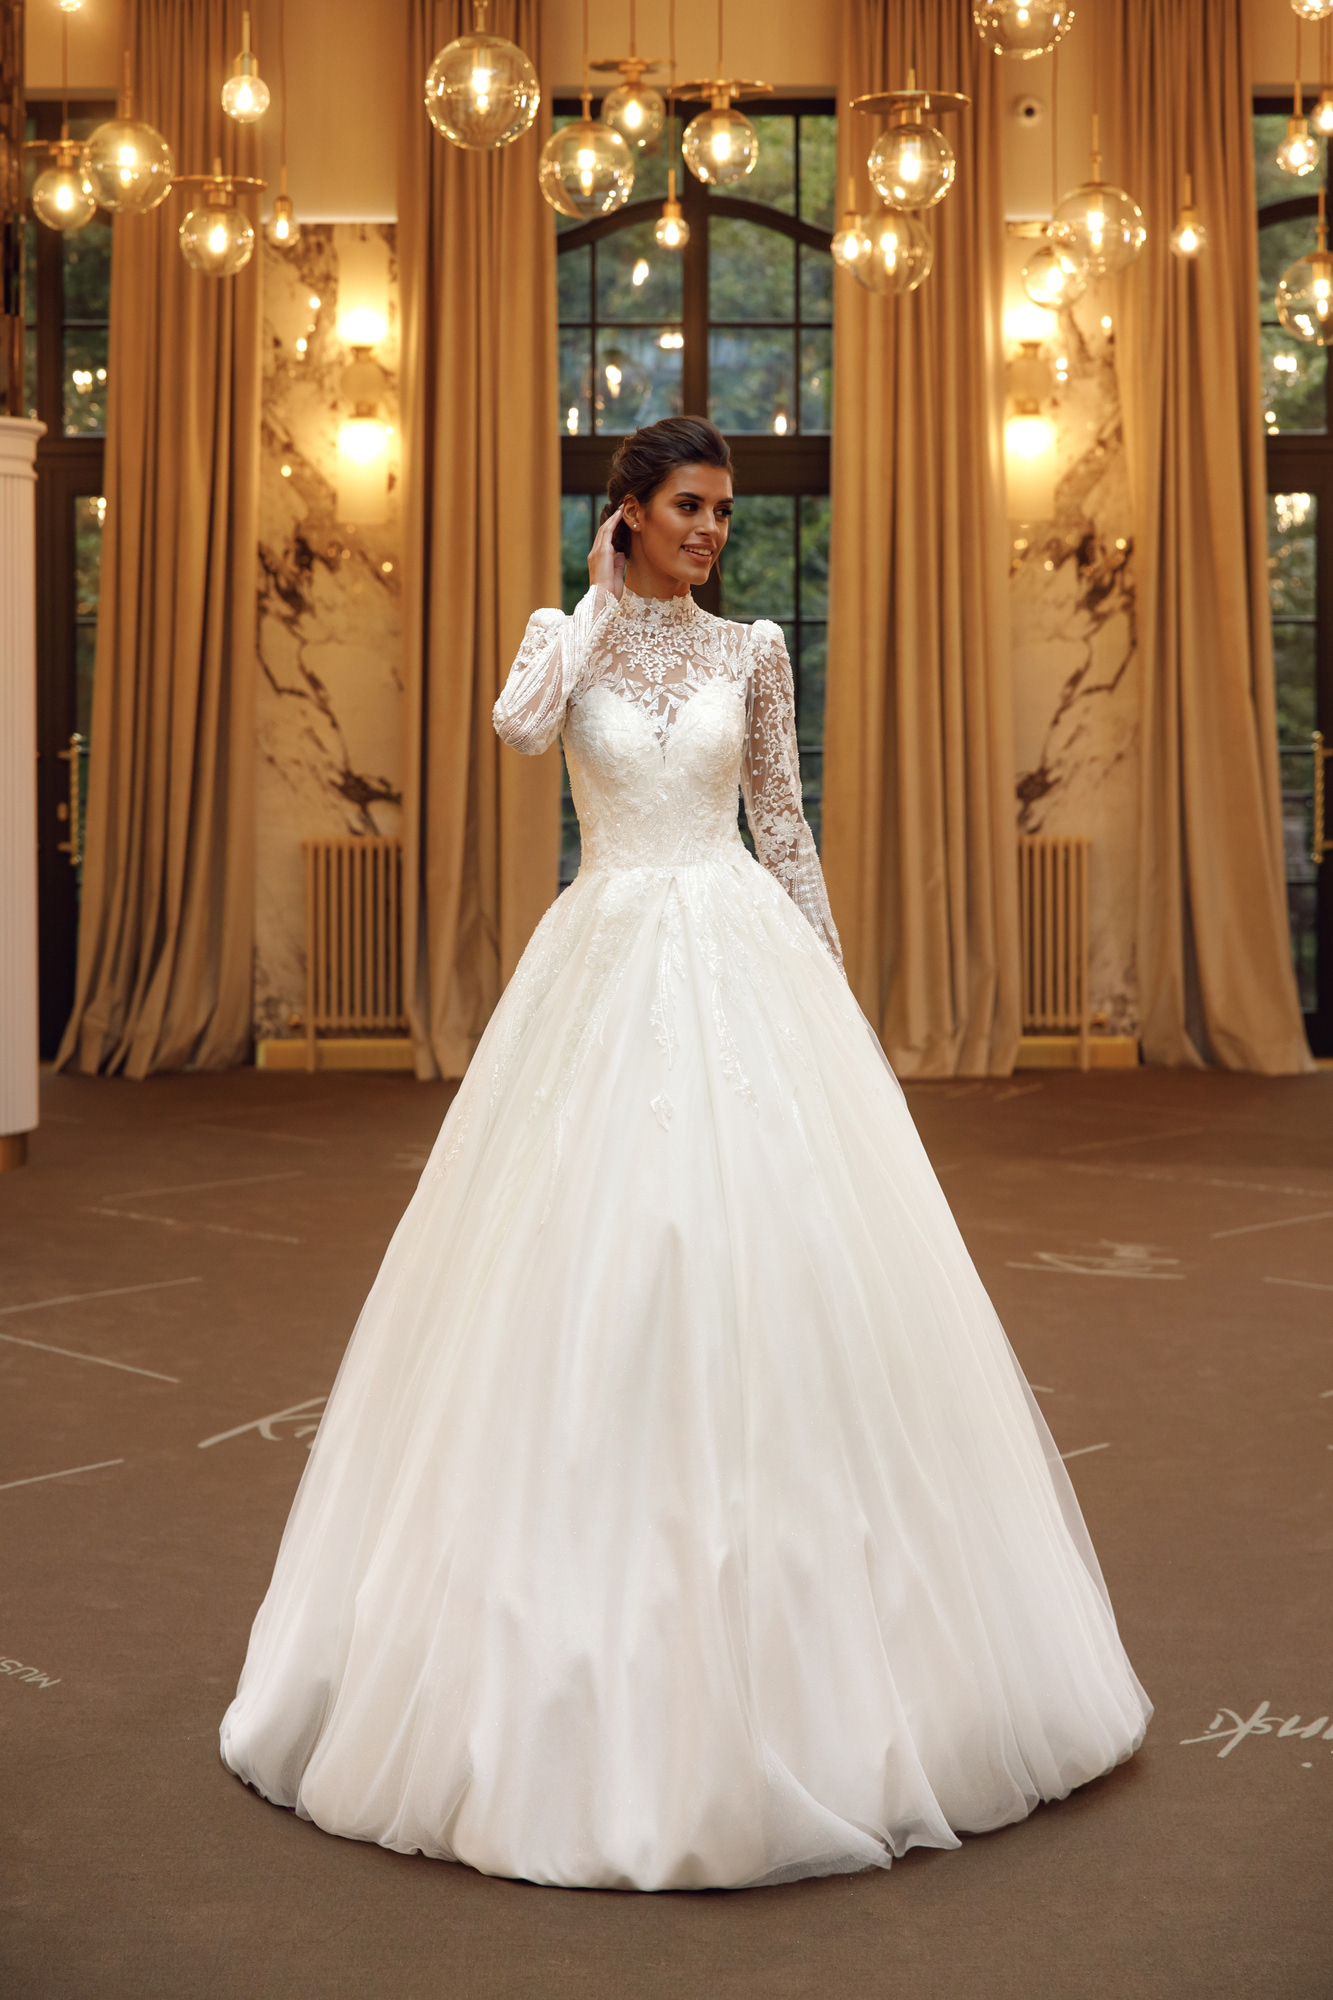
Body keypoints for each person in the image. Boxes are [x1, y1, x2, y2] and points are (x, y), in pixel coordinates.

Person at [221, 415, 1150, 1891]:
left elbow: (782, 823)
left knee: (769, 1263)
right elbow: (518, 730)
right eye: (689, 508)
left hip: (737, 953)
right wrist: (590, 605)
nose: (712, 530)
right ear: (631, 514)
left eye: (723, 509)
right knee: (578, 1263)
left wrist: (831, 997)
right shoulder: (565, 637)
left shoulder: (753, 652)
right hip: (601, 956)